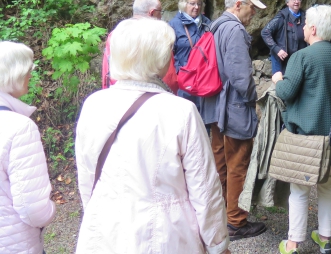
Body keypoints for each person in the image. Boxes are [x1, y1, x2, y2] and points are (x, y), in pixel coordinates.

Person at [76, 18, 230, 253]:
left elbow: (88, 177)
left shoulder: (93, 105)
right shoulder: (180, 111)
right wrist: (217, 243)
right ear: (157, 58)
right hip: (166, 234)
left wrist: (96, 213)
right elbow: (204, 188)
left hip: (105, 231)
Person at [272, 4, 331, 254]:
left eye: (306, 23)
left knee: (299, 190)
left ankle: (294, 243)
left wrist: (277, 79)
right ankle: (325, 238)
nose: (304, 27)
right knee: (328, 186)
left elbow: (286, 92)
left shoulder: (302, 57)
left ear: (314, 28)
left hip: (307, 137)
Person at [207, 0, 267, 241]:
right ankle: (236, 221)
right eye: (252, 7)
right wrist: (254, 98)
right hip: (234, 107)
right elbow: (241, 77)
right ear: (238, 4)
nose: (253, 13)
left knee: (221, 161)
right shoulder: (234, 30)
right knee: (238, 163)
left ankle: (222, 212)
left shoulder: (217, 26)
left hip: (217, 106)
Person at [0, 42, 56, 254]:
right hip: (13, 244)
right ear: (13, 75)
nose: (30, 76)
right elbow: (33, 209)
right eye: (27, 71)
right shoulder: (18, 127)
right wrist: (51, 210)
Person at [102, 0, 178, 92]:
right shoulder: (159, 36)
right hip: (154, 95)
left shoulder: (116, 34)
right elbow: (169, 77)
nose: (161, 16)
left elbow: (107, 71)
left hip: (119, 93)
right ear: (152, 12)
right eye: (160, 12)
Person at [169, 0, 214, 131]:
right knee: (185, 121)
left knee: (204, 121)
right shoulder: (174, 25)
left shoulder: (207, 23)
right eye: (192, 4)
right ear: (183, 4)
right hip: (184, 80)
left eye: (199, 4)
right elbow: (168, 54)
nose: (196, 7)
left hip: (205, 79)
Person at [261, 0, 307, 74]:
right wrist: (277, 49)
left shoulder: (305, 16)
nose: (296, 1)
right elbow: (265, 32)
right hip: (282, 58)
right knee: (280, 82)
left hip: (299, 58)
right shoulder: (281, 17)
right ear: (287, 3)